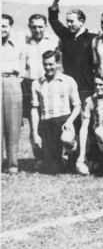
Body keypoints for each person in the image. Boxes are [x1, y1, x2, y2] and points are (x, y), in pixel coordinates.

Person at [31, 50, 81, 173]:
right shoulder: (36, 83)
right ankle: (60, 158)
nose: (48, 67)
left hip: (63, 120)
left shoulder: (68, 80)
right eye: (45, 64)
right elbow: (34, 109)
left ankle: (73, 153)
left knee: (66, 139)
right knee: (54, 169)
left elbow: (78, 105)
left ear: (58, 63)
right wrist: (35, 133)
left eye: (51, 64)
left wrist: (69, 121)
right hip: (46, 123)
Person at [48, 0, 96, 102]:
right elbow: (53, 20)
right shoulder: (65, 35)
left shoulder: (92, 38)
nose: (68, 24)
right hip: (68, 82)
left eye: (71, 21)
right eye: (67, 21)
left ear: (81, 21)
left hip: (86, 83)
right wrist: (56, 1)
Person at [22, 14, 59, 160]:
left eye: (40, 26)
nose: (37, 30)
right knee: (34, 122)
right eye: (33, 26)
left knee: (50, 119)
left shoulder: (54, 41)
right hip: (30, 84)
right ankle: (38, 157)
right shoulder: (24, 43)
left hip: (49, 83)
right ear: (29, 26)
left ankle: (53, 155)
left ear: (45, 26)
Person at [76, 73, 103, 174]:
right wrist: (82, 153)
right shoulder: (90, 101)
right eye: (96, 84)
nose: (98, 87)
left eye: (101, 85)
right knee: (84, 171)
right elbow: (84, 128)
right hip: (98, 138)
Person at [1, 14, 25, 174]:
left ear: (10, 27)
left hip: (13, 82)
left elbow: (22, 71)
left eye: (4, 26)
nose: (1, 29)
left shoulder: (18, 45)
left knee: (13, 124)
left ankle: (12, 164)